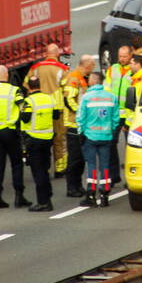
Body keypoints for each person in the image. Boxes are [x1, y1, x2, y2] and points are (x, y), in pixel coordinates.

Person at [0, 65, 30, 209]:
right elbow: (23, 107)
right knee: (16, 164)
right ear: (7, 75)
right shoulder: (14, 91)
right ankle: (19, 196)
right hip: (10, 131)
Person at [75, 72, 121, 208]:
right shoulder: (111, 97)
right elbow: (115, 118)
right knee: (105, 165)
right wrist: (111, 130)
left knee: (92, 165)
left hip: (90, 136)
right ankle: (105, 194)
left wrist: (80, 132)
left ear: (93, 81)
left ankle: (91, 194)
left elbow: (80, 118)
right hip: (106, 136)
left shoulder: (86, 97)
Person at [26, 44, 69, 178]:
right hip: (57, 108)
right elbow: (67, 88)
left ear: (46, 53)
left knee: (41, 137)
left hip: (39, 108)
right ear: (57, 54)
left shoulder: (36, 68)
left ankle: (43, 167)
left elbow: (26, 84)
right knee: (59, 139)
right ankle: (60, 168)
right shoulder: (63, 69)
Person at [20, 75, 59, 212]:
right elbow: (56, 115)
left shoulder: (29, 101)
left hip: (33, 140)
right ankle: (47, 195)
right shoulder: (50, 99)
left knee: (38, 172)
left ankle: (43, 202)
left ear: (29, 87)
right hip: (47, 139)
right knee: (45, 168)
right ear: (39, 85)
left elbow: (25, 119)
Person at [62, 54, 95, 197]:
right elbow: (68, 100)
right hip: (73, 124)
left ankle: (77, 185)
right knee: (75, 158)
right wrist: (81, 113)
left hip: (80, 124)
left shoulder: (81, 78)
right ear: (87, 65)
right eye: (92, 66)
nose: (93, 68)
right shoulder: (74, 78)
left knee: (80, 158)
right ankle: (71, 187)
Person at [103, 45, 133, 185]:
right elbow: (107, 88)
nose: (121, 59)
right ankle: (114, 175)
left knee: (131, 147)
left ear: (131, 55)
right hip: (114, 113)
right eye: (120, 56)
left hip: (129, 114)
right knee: (110, 143)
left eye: (125, 56)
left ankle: (130, 178)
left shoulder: (135, 70)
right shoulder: (112, 69)